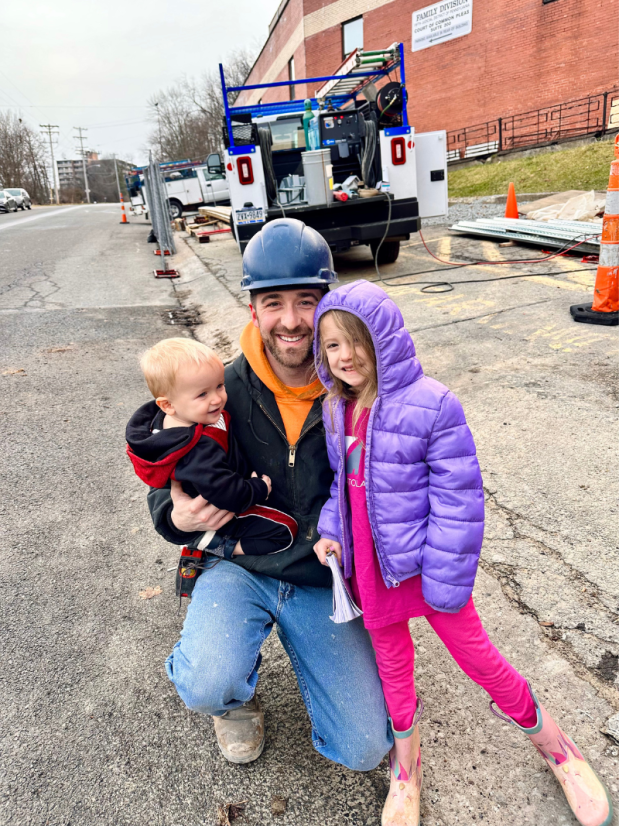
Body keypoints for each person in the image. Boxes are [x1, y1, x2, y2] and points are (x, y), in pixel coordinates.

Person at [312, 280, 613, 826]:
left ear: (385, 340)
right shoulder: (337, 409)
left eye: (357, 340)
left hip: (430, 571)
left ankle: (553, 742)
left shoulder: (433, 404)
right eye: (332, 344)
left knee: (479, 660)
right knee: (392, 667)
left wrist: (445, 581)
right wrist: (331, 527)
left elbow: (458, 499)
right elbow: (342, 483)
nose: (347, 355)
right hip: (372, 570)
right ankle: (408, 763)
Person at [146, 219, 393, 768]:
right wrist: (176, 515)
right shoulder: (216, 389)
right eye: (272, 301)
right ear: (252, 308)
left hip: (318, 579)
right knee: (206, 681)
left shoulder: (358, 391)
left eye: (306, 301)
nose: (290, 321)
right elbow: (164, 471)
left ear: (328, 304)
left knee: (365, 748)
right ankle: (234, 702)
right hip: (239, 564)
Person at [126, 338, 298, 596]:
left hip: (221, 495)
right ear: (167, 404)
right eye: (203, 394)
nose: (218, 399)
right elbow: (227, 492)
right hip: (224, 512)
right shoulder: (196, 450)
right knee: (284, 532)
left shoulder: (183, 416)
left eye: (220, 386)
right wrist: (258, 488)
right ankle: (221, 545)